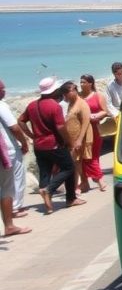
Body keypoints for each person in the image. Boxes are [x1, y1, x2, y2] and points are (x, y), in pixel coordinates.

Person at [17, 77, 85, 214]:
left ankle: (48, 205)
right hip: (54, 145)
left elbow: (21, 121)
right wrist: (70, 142)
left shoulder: (32, 105)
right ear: (54, 91)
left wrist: (32, 136)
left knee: (45, 172)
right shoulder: (54, 106)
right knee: (69, 168)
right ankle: (67, 197)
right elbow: (60, 127)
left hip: (39, 146)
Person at [0, 78, 30, 235]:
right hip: (7, 151)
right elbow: (15, 127)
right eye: (2, 89)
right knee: (7, 188)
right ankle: (10, 223)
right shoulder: (1, 106)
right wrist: (24, 142)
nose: (4, 91)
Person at [61, 81, 93, 195]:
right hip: (73, 138)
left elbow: (85, 122)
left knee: (76, 162)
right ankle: (80, 184)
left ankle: (83, 183)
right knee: (76, 162)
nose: (65, 97)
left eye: (66, 94)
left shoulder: (81, 103)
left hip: (80, 138)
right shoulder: (71, 103)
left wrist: (79, 139)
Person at [78, 75, 108, 192]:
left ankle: (99, 179)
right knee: (83, 157)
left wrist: (95, 116)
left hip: (94, 128)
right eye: (80, 82)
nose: (81, 84)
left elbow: (104, 111)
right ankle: (86, 182)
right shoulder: (78, 96)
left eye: (84, 82)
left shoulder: (98, 95)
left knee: (92, 155)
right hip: (81, 130)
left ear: (90, 83)